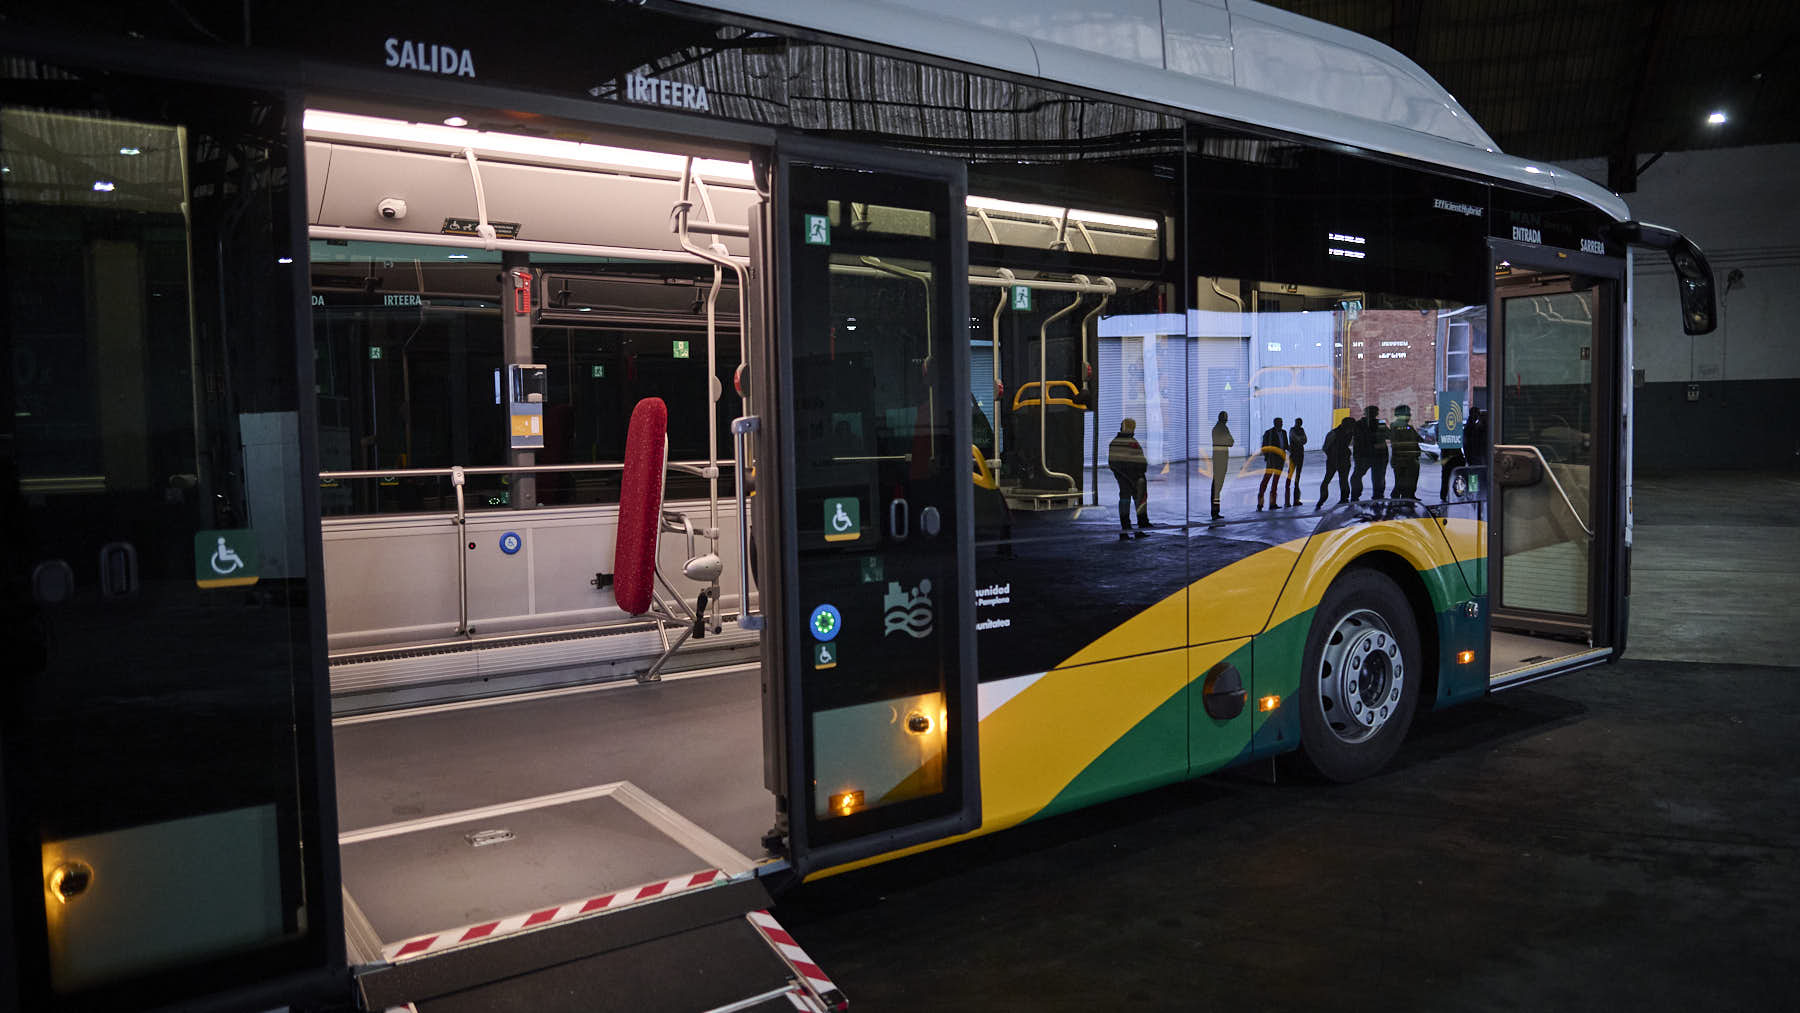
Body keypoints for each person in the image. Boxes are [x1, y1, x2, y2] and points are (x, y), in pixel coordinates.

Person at [1107, 417, 1151, 540]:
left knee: (1130, 502)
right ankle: (1132, 528)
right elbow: (1117, 463)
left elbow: (1114, 463)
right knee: (1133, 501)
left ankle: (1130, 528)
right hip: (1130, 478)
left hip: (1129, 478)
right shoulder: (1128, 442)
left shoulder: (1120, 442)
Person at [1350, 405, 1389, 500]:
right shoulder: (1379, 423)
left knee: (1358, 476)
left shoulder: (1358, 424)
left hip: (1365, 455)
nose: (1373, 414)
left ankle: (1356, 496)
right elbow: (1389, 435)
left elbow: (1353, 439)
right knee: (1378, 477)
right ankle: (1377, 496)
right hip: (1376, 455)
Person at [1317, 415, 1354, 508]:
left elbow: (1325, 448)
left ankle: (1344, 499)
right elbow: (1325, 447)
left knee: (1342, 480)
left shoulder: (1348, 432)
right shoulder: (1333, 433)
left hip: (1341, 460)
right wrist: (1333, 457)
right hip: (1335, 460)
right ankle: (1322, 499)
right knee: (1330, 480)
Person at [1388, 404, 1422, 499]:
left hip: (1412, 459)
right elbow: (1396, 444)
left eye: (1409, 413)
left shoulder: (1408, 427)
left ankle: (1410, 496)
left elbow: (1418, 439)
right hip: (1402, 460)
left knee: (1411, 480)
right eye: (1407, 413)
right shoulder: (1396, 426)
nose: (1409, 415)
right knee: (1401, 482)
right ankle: (1396, 499)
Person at [1257, 416, 1288, 510]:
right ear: (1275, 423)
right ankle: (1260, 504)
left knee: (1275, 482)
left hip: (1280, 460)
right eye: (1279, 423)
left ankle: (1272, 503)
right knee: (1266, 480)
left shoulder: (1284, 432)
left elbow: (1285, 445)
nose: (1281, 424)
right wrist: (1267, 457)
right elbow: (1264, 447)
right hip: (1272, 460)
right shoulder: (1269, 433)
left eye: (1282, 422)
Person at [1210, 410, 1233, 520]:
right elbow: (1231, 442)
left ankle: (1215, 510)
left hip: (1218, 458)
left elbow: (1230, 442)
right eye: (1226, 417)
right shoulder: (1223, 429)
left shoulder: (1217, 428)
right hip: (1221, 459)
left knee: (1217, 485)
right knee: (1217, 486)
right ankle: (1215, 511)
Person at [1285, 418, 1308, 507]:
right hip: (1294, 455)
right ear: (1295, 423)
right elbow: (1299, 439)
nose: (1299, 424)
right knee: (1290, 476)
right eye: (1298, 422)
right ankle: (1287, 501)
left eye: (1300, 423)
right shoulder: (1292, 430)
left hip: (1300, 455)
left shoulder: (1301, 430)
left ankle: (1296, 500)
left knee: (1297, 477)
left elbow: (1305, 440)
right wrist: (1300, 440)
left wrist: (1300, 440)